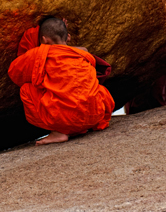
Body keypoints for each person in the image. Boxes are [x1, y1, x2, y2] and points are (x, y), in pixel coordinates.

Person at [8, 17, 115, 145]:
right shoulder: (83, 53)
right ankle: (85, 123)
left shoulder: (41, 54)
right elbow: (74, 50)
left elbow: (14, 72)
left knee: (26, 90)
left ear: (43, 40)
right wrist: (60, 32)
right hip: (93, 116)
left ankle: (58, 132)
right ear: (68, 37)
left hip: (64, 120)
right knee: (99, 90)